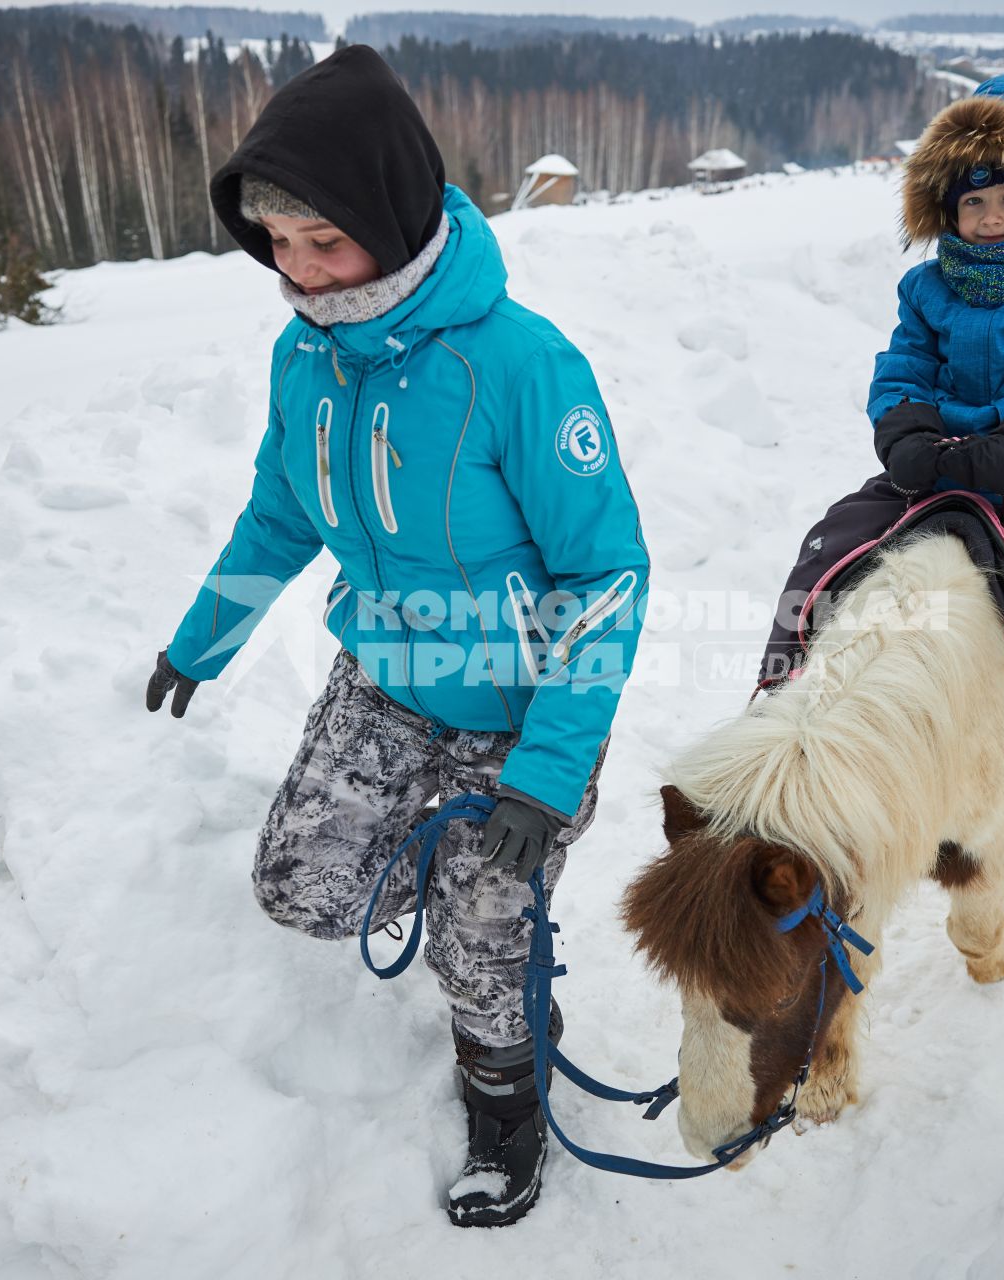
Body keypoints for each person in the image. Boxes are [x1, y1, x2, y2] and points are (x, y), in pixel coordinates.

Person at [143, 46, 649, 1227]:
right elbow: (281, 511)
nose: (300, 271)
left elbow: (606, 574)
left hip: (525, 710)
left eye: (327, 242)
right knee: (301, 888)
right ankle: (460, 886)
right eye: (278, 241)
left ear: (396, 219)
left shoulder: (522, 365)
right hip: (385, 678)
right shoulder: (304, 357)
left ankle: (506, 1088)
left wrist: (547, 769)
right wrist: (199, 640)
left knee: (476, 935)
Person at [762, 72, 1004, 842]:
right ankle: (779, 691)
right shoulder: (927, 286)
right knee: (828, 546)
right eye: (973, 203)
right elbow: (902, 367)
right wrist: (903, 434)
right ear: (946, 209)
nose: (992, 219)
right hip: (934, 471)